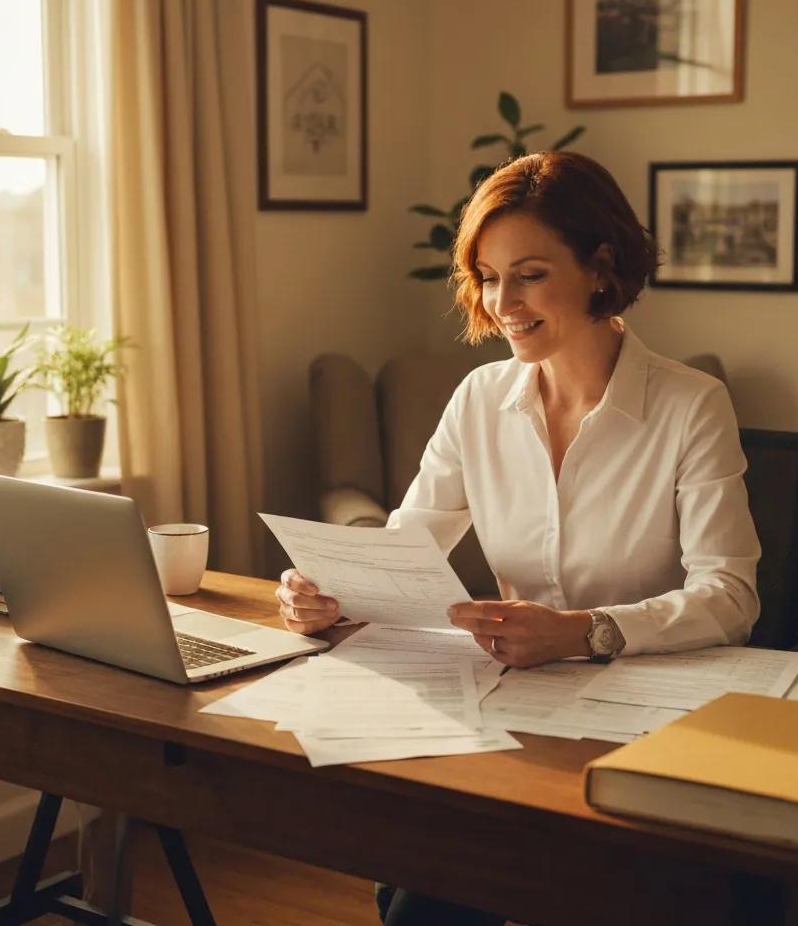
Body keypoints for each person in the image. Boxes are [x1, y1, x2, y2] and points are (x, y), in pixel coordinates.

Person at [275, 151, 761, 925]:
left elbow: (731, 597)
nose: (503, 302)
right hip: (517, 718)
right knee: (421, 894)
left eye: (530, 274)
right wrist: (329, 591)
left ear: (600, 270)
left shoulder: (691, 406)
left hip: (653, 729)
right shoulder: (478, 399)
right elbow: (408, 550)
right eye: (489, 276)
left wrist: (583, 632)